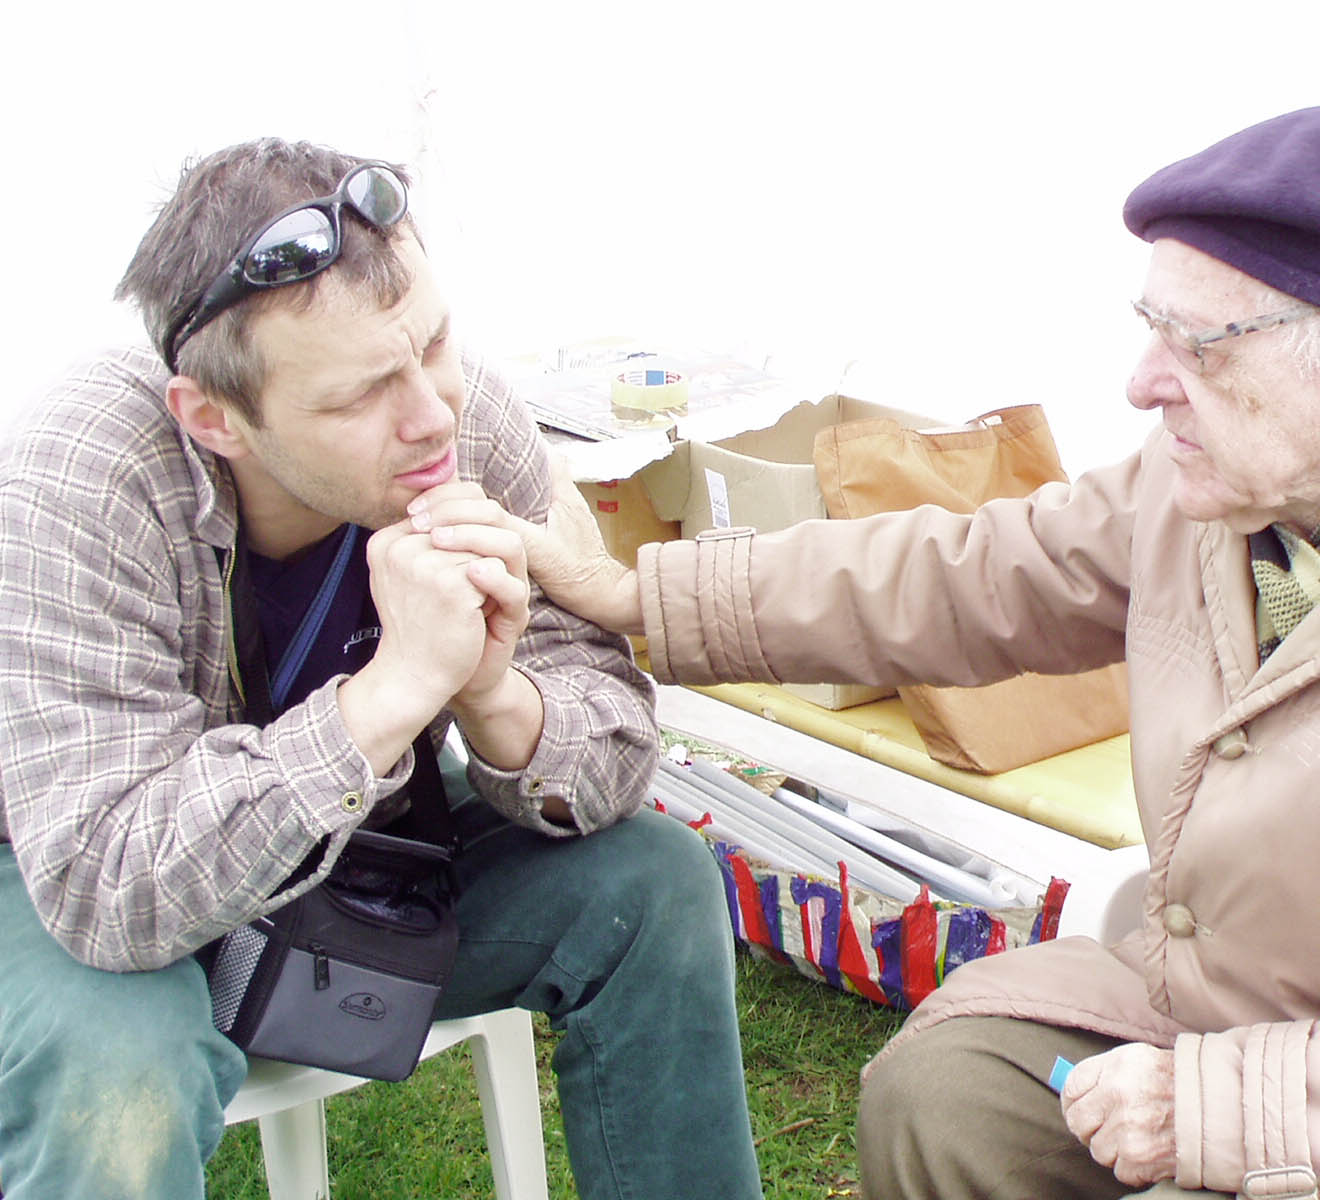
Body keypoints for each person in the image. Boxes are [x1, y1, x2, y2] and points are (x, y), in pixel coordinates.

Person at [431, 105, 1320, 1198]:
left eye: (1199, 347)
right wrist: (634, 591)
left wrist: (1216, 1110)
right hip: (1197, 1003)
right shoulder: (1224, 481)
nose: (1141, 384)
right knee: (944, 1101)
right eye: (1150, 328)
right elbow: (967, 576)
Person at [0, 139, 765, 1200]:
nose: (431, 414)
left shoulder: (462, 421)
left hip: (361, 839)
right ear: (213, 418)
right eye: (360, 395)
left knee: (654, 883)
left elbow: (614, 744)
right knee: (119, 1075)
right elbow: (102, 883)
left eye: (433, 342)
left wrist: (495, 695)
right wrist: (387, 698)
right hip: (75, 874)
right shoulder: (84, 473)